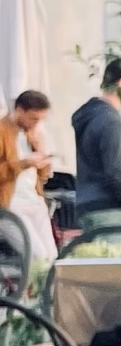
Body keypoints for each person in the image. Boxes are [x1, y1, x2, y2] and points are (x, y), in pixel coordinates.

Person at [70, 58, 121, 232]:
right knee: (118, 257)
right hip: (111, 210)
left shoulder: (93, 115)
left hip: (89, 205)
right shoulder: (112, 121)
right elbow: (117, 168)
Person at [1, 89, 58, 262]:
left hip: (35, 201)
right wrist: (24, 163)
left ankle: (45, 289)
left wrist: (41, 152)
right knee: (37, 256)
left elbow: (42, 176)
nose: (36, 123)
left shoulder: (31, 134)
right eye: (34, 118)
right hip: (11, 205)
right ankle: (34, 288)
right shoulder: (3, 132)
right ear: (19, 110)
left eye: (40, 119)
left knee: (53, 257)